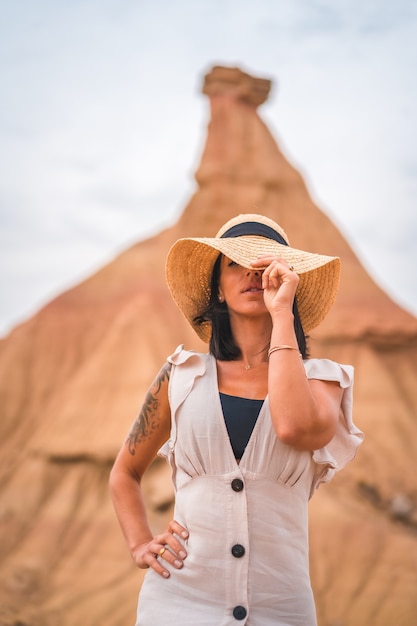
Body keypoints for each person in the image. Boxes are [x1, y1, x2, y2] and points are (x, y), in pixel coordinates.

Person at [109, 213, 364, 626]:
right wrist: (140, 543)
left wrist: (282, 316)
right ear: (219, 291)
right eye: (234, 263)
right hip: (177, 603)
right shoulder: (181, 376)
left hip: (281, 608)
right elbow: (124, 472)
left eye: (266, 268)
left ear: (287, 283)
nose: (251, 273)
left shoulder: (324, 382)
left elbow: (293, 426)